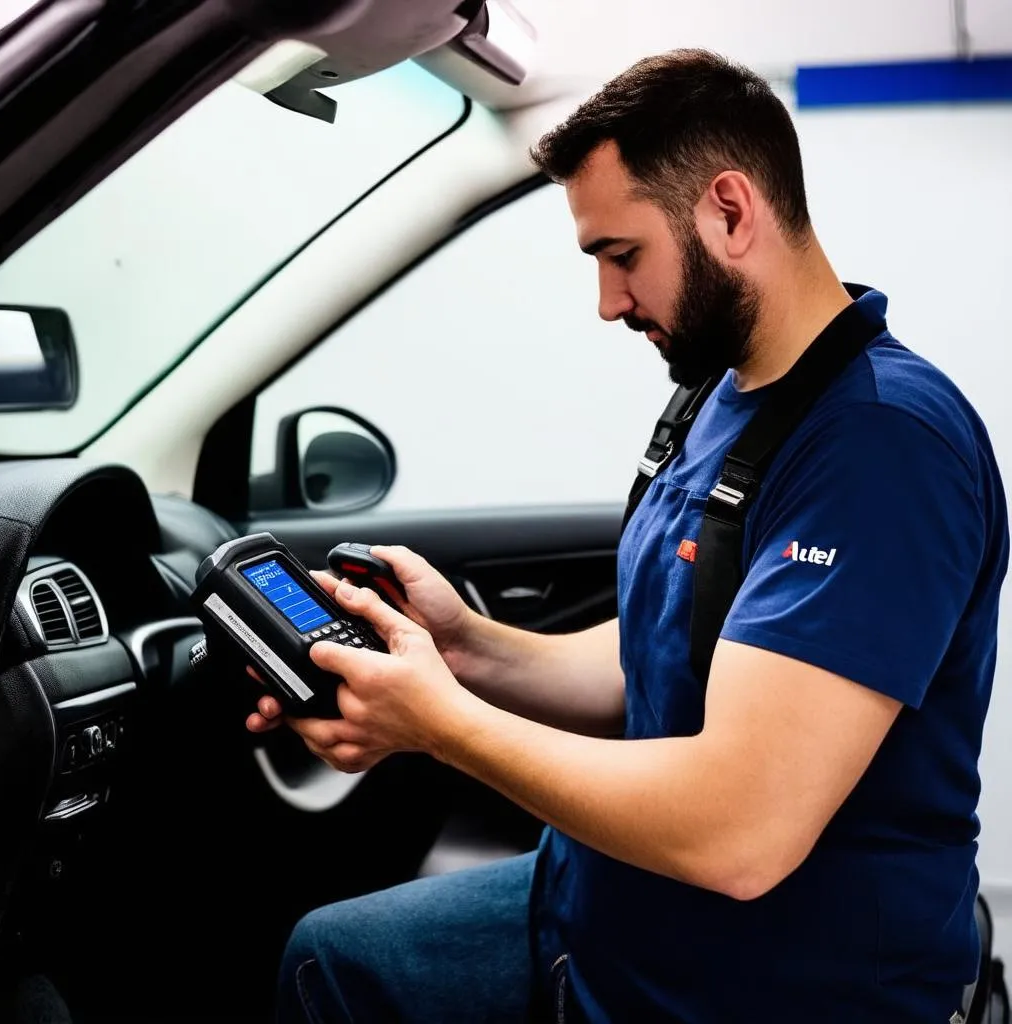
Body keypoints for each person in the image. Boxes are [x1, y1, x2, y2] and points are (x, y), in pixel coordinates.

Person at [247, 49, 1009, 1022]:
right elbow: (652, 658)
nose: (608, 302)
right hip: (611, 899)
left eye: (621, 255)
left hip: (777, 977)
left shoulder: (879, 445)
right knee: (334, 962)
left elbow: (741, 833)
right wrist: (460, 647)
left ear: (730, 211)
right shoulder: (719, 396)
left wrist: (436, 724)